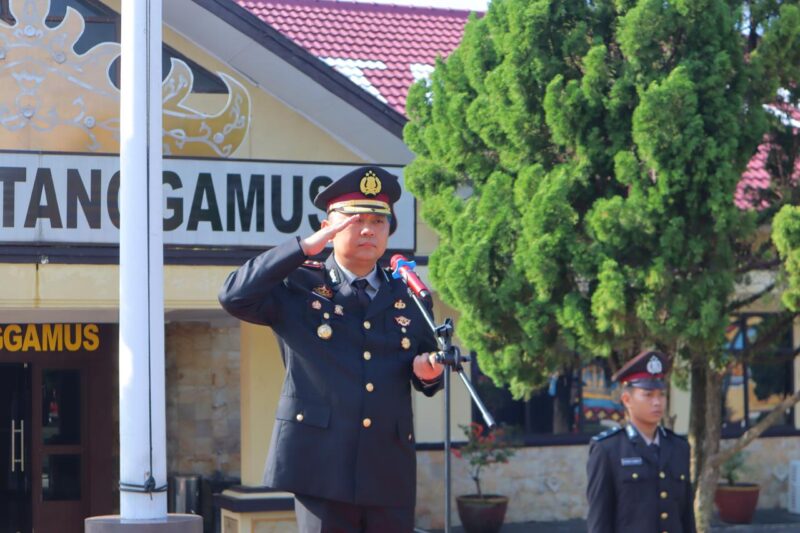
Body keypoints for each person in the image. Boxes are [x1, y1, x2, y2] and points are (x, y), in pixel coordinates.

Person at [218, 165, 444, 532]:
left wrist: (429, 375)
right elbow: (233, 296)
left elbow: (425, 368)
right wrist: (302, 247)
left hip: (388, 466)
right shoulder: (299, 285)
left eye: (378, 221)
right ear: (329, 226)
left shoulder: (408, 294)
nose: (368, 229)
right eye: (354, 219)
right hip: (321, 464)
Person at [586, 350, 696, 533]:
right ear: (627, 399)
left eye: (661, 395)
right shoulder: (608, 450)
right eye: (648, 395)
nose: (657, 402)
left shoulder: (679, 447)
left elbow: (686, 518)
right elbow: (599, 520)